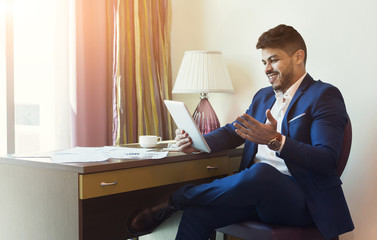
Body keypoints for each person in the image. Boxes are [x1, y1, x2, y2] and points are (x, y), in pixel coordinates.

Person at [127, 24, 354, 240]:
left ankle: (175, 199)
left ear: (298, 56)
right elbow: (233, 132)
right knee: (197, 214)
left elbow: (327, 160)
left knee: (261, 173)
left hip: (302, 200)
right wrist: (196, 142)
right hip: (255, 194)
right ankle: (183, 201)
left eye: (273, 60)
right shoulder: (263, 96)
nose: (266, 69)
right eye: (264, 61)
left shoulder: (323, 95)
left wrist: (275, 140)